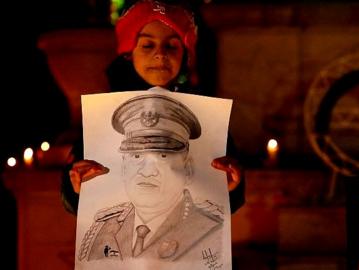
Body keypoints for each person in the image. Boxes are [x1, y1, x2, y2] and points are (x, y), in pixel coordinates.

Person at [61, 0, 244, 218]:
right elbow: (73, 199)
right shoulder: (103, 118)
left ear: (185, 55)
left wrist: (231, 187)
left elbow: (222, 202)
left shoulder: (205, 119)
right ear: (129, 53)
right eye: (148, 45)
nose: (160, 54)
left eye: (172, 46)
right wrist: (77, 188)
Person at [78, 94, 224, 262]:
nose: (146, 172)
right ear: (124, 168)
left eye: (163, 156)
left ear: (188, 171)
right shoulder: (101, 230)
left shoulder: (212, 232)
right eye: (136, 156)